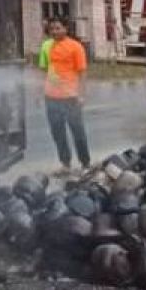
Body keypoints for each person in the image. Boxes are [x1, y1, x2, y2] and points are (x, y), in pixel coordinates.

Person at [42, 18, 91, 175]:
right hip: (51, 97)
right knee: (58, 133)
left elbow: (82, 72)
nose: (54, 32)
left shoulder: (75, 47)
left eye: (57, 28)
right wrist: (40, 91)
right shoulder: (47, 46)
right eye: (52, 29)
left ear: (66, 29)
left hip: (71, 97)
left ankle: (85, 164)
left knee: (78, 132)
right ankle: (65, 164)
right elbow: (44, 70)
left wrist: (81, 95)